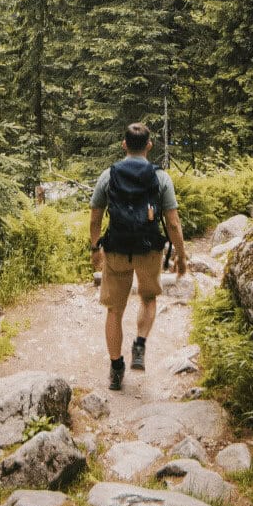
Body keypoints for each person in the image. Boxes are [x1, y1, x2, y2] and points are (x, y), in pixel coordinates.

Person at [89, 121, 187, 390]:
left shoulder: (108, 176)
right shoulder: (161, 178)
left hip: (117, 250)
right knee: (147, 297)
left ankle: (116, 366)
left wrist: (95, 248)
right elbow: (174, 223)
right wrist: (181, 256)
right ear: (149, 146)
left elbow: (95, 217)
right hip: (148, 250)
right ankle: (140, 343)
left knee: (114, 310)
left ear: (124, 145)